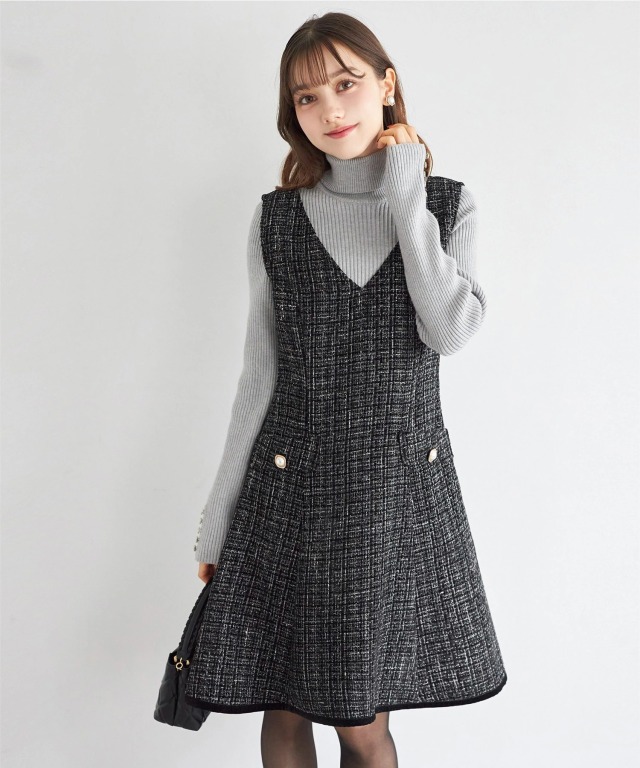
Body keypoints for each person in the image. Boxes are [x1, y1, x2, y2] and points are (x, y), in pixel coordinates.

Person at [185, 11, 507, 767]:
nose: (330, 109)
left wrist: (405, 194)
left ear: (386, 85)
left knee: (364, 726)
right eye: (307, 97)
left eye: (346, 83)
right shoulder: (277, 219)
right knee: (286, 705)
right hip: (288, 492)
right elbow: (259, 374)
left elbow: (449, 330)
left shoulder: (447, 204)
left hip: (394, 500)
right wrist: (217, 514)